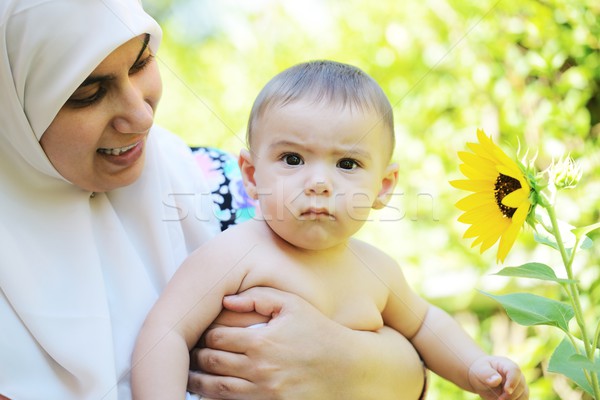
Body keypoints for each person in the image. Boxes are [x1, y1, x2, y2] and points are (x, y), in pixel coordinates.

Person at [0, 1, 429, 399]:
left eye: (141, 63)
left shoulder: (224, 185)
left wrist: (347, 364)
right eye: (88, 93)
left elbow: (412, 361)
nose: (142, 116)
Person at [131, 60, 529, 400]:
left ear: (383, 186)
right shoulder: (235, 254)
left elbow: (425, 324)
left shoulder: (377, 271)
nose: (319, 182)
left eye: (347, 164)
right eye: (292, 158)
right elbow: (165, 331)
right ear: (251, 175)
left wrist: (476, 366)